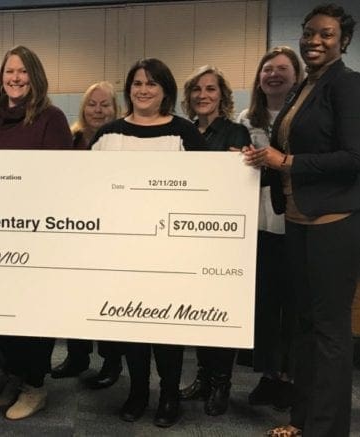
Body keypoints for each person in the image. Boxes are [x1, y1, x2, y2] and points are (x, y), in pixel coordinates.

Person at [243, 4, 360, 436]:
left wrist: (286, 161)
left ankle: (326, 430)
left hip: (335, 222)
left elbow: (353, 159)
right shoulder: (303, 88)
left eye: (326, 35)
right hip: (297, 219)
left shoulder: (348, 86)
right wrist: (262, 160)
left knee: (330, 334)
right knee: (305, 328)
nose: (315, 41)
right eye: (309, 33)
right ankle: (302, 420)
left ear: (343, 41)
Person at [90, 58, 207, 428]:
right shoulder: (107, 135)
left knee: (166, 329)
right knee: (131, 328)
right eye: (137, 83)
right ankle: (138, 390)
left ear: (166, 91)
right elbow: (86, 189)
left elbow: (207, 190)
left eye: (152, 84)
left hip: (169, 252)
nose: (143, 90)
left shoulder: (185, 134)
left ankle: (169, 394)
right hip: (120, 251)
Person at [0, 45, 73, 420]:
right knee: (1, 315)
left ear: (35, 76)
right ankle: (12, 374)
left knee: (33, 317)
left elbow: (61, 181)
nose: (15, 78)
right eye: (10, 71)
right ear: (1, 76)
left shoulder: (51, 118)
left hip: (35, 238)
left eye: (23, 71)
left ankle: (34, 385)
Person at [178, 65, 251, 416]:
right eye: (197, 90)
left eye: (210, 89)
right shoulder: (184, 132)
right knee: (199, 313)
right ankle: (204, 378)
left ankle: (222, 384)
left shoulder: (236, 132)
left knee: (221, 314)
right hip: (189, 234)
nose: (203, 95)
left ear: (222, 95)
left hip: (224, 237)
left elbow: (247, 183)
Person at [236, 46, 302, 412]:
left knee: (293, 304)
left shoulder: (305, 116)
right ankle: (269, 374)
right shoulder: (248, 118)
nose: (273, 75)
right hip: (258, 223)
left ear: (297, 75)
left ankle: (292, 377)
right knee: (264, 303)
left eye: (282, 69)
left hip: (296, 220)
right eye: (267, 69)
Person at [51, 81, 124, 390]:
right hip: (75, 232)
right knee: (74, 298)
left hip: (114, 233)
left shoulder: (125, 141)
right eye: (92, 104)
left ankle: (110, 362)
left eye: (104, 104)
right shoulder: (71, 137)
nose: (98, 110)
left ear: (115, 109)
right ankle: (77, 356)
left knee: (109, 301)